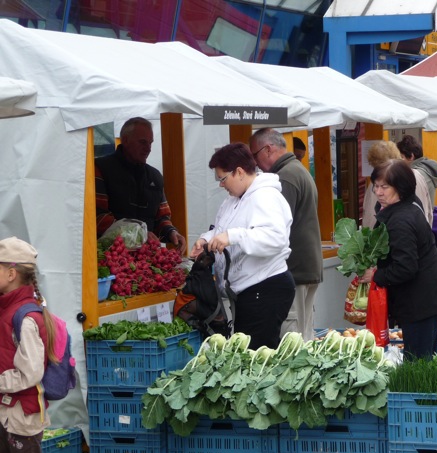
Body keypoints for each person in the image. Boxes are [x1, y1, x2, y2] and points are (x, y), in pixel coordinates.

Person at [190, 143, 295, 350]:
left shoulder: (266, 196)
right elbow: (223, 228)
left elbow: (275, 238)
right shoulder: (233, 200)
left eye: (222, 178)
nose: (221, 185)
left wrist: (232, 236)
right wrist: (206, 240)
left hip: (266, 288)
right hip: (247, 292)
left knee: (254, 357)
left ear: (239, 172)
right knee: (246, 354)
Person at [359, 160, 437, 359]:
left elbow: (406, 267)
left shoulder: (401, 220)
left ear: (400, 187)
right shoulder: (405, 206)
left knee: (419, 363)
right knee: (422, 359)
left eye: (385, 187)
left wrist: (376, 275)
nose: (378, 192)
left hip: (422, 299)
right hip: (425, 295)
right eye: (376, 186)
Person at [249, 129, 322, 342]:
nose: (254, 163)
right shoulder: (297, 169)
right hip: (306, 266)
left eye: (255, 155)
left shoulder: (285, 177)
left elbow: (276, 229)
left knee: (292, 338)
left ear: (268, 149)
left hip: (295, 269)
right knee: (304, 333)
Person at [0, 237, 57, 453]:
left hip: (21, 416)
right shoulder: (9, 309)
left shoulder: (24, 317)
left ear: (11, 273)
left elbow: (30, 372)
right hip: (8, 412)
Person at [95, 117, 187, 254]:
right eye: (143, 142)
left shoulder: (155, 177)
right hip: (111, 258)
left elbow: (162, 217)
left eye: (150, 143)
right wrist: (140, 234)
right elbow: (97, 216)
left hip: (148, 261)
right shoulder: (101, 168)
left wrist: (171, 232)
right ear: (125, 140)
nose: (148, 148)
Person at [362, 140, 433, 228]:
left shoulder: (406, 178)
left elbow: (369, 216)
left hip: (400, 232)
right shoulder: (416, 175)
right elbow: (429, 212)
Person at [396, 134, 437, 211]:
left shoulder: (415, 174)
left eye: (401, 157)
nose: (399, 161)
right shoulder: (426, 169)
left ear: (411, 156)